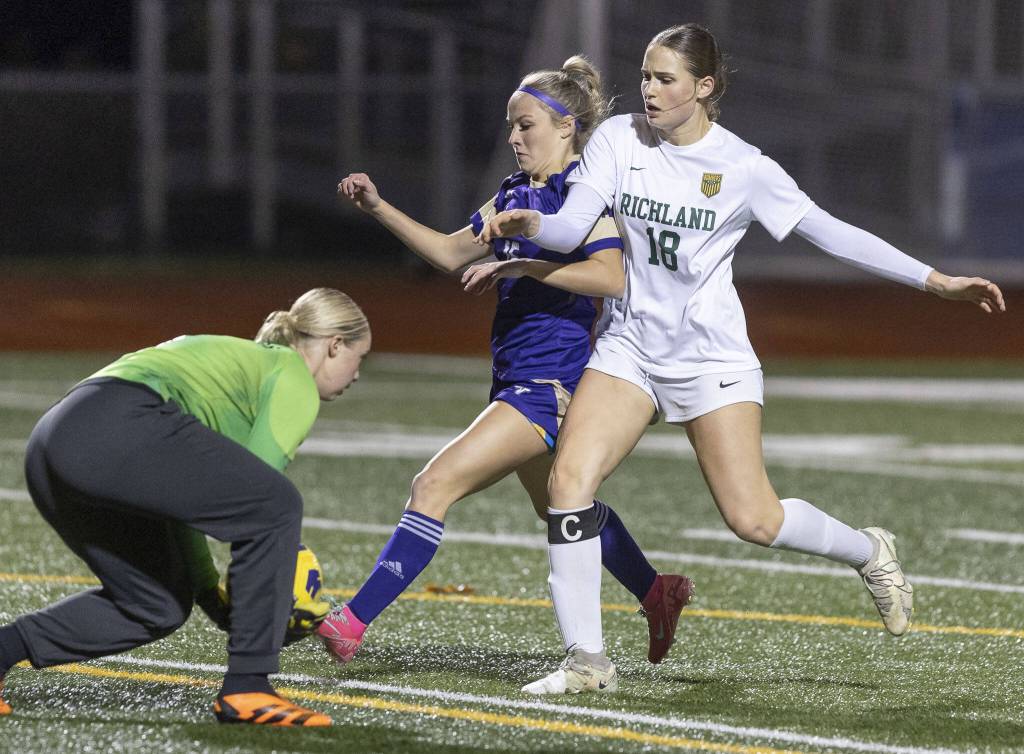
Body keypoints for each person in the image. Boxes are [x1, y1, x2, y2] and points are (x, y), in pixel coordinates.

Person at [478, 23, 1006, 694]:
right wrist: (530, 228)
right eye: (644, 76)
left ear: (703, 87)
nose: (649, 90)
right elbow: (572, 225)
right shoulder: (618, 139)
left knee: (753, 519)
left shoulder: (743, 167)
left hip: (709, 359)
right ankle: (588, 662)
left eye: (665, 78)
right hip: (631, 349)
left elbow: (830, 232)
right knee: (567, 486)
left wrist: (935, 281)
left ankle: (868, 550)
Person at [318, 57, 694, 679]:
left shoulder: (585, 193)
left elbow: (611, 276)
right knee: (562, 509)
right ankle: (657, 592)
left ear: (566, 127)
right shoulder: (514, 193)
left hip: (551, 386)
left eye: (526, 127)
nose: (514, 138)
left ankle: (352, 621)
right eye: (511, 127)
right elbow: (446, 252)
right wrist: (379, 207)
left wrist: (523, 267)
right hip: (515, 378)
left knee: (432, 486)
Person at [0, 288, 372, 725]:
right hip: (116, 424)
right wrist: (272, 598)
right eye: (359, 357)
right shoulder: (290, 373)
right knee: (277, 503)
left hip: (56, 444)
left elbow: (190, 503)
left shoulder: (246, 371)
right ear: (334, 346)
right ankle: (248, 687)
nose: (358, 373)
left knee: (154, 604)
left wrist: (215, 601)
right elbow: (258, 503)